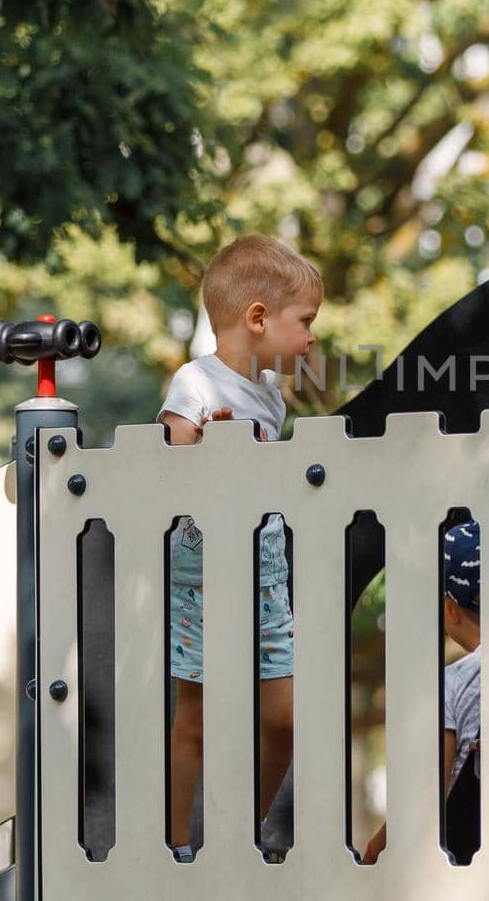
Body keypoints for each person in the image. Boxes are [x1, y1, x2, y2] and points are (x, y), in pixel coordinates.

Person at [160, 234, 323, 859]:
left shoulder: (271, 396)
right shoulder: (195, 382)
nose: (310, 338)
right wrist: (204, 444)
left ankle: (242, 830)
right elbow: (171, 460)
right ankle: (175, 844)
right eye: (304, 322)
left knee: (283, 716)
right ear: (258, 318)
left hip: (265, 575)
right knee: (196, 717)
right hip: (202, 576)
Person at [360, 520, 482, 865]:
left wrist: (377, 847)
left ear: (450, 610)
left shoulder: (454, 680)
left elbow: (432, 788)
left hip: (461, 849)